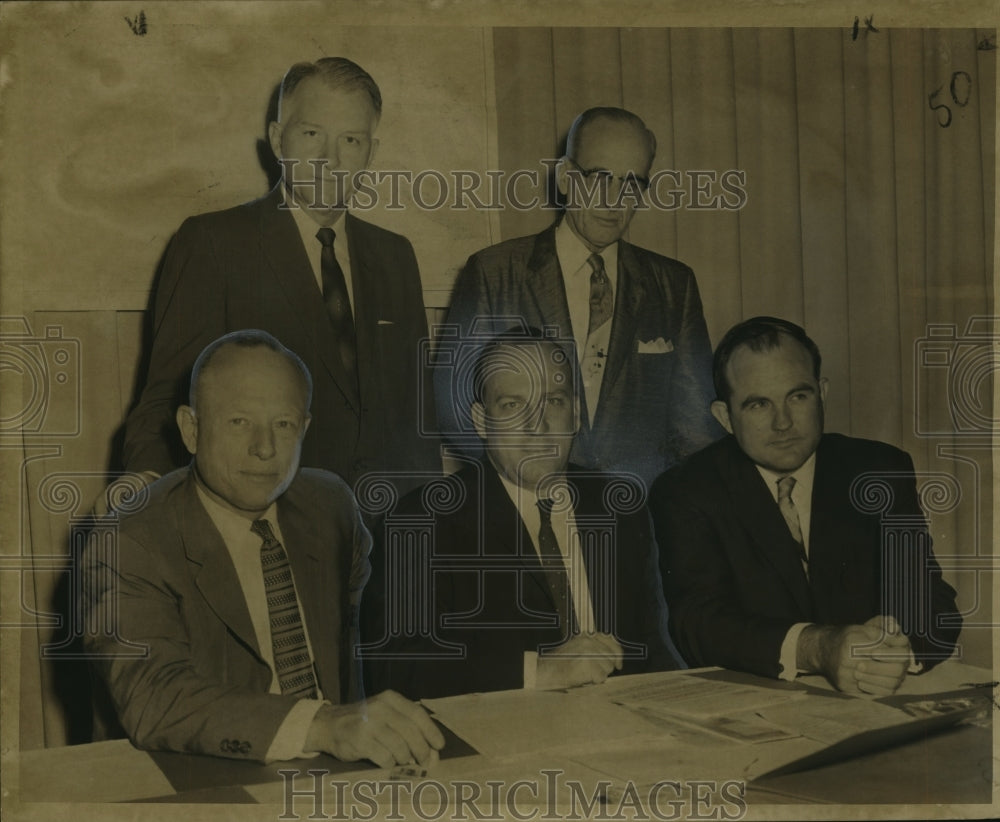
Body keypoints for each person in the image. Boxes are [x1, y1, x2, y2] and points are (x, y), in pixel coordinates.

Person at [84, 330, 444, 766]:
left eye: (283, 424)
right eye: (239, 422)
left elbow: (367, 659)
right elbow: (154, 698)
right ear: (191, 429)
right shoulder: (129, 538)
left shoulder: (330, 506)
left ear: (305, 427)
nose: (264, 448)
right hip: (197, 777)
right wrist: (322, 725)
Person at [119, 56, 438, 497]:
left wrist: (430, 531)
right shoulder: (214, 243)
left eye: (351, 139)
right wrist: (150, 496)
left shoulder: (395, 256)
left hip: (387, 535)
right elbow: (164, 404)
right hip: (265, 526)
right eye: (312, 134)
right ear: (276, 139)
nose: (330, 158)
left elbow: (416, 419)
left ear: (371, 153)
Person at [650, 317, 962, 695]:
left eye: (798, 396)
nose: (783, 423)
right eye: (758, 404)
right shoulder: (686, 490)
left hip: (878, 697)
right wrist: (819, 648)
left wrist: (897, 652)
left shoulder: (879, 469)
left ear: (822, 393)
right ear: (724, 417)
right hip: (759, 704)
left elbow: (929, 598)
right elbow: (699, 624)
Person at [363, 330, 681, 700]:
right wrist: (540, 670)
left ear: (575, 414)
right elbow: (396, 668)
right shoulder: (422, 520)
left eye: (553, 402)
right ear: (481, 421)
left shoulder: (618, 506)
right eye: (513, 405)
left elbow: (653, 652)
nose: (538, 425)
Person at [436, 107, 720, 487]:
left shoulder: (673, 285)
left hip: (640, 512)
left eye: (632, 183)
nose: (616, 199)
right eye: (601, 178)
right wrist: (521, 489)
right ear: (567, 178)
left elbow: (697, 429)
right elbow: (456, 408)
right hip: (528, 506)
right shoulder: (494, 272)